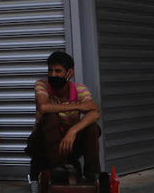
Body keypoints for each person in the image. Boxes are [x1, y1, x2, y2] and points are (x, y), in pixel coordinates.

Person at [26, 51, 101, 182]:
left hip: (68, 142)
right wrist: (78, 106)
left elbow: (95, 112)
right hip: (42, 142)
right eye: (50, 71)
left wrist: (73, 130)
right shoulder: (42, 85)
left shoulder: (80, 90)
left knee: (92, 127)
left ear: (70, 73)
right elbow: (43, 107)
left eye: (58, 71)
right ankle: (58, 169)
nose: (52, 75)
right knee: (50, 117)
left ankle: (93, 175)